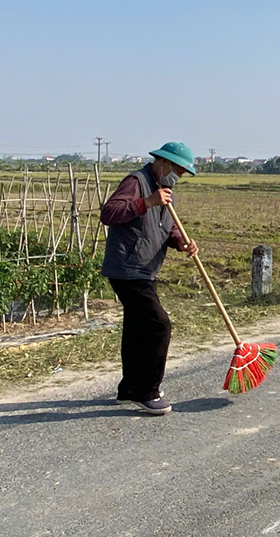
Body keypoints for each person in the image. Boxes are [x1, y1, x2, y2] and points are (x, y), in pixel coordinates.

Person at [100, 142, 198, 415]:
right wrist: (146, 202)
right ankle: (148, 391)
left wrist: (181, 242)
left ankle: (130, 388)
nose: (178, 176)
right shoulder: (136, 182)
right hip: (127, 268)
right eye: (178, 170)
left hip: (145, 268)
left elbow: (167, 227)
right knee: (158, 325)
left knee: (137, 328)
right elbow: (108, 213)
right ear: (163, 163)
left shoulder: (165, 190)